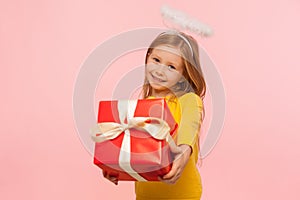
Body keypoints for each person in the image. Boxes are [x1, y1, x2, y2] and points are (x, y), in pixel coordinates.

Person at [104, 31, 206, 200]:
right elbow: (139, 153)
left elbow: (190, 126)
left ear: (183, 75)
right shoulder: (142, 105)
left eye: (171, 67)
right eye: (156, 60)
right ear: (148, 58)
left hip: (183, 196)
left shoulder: (189, 101)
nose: (159, 70)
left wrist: (184, 150)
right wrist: (117, 168)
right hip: (145, 196)